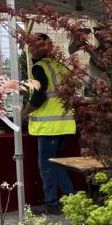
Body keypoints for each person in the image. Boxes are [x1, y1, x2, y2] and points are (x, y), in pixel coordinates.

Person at [27, 33, 76, 215]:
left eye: (33, 46)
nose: (30, 49)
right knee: (56, 163)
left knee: (48, 165)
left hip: (50, 127)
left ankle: (53, 203)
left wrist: (24, 113)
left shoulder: (40, 67)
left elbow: (39, 97)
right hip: (64, 123)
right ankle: (71, 199)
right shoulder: (60, 66)